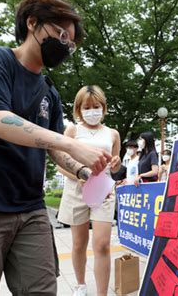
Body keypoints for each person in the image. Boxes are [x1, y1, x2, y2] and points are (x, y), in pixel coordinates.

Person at [0, 0, 112, 295]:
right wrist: (72, 143)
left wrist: (85, 171)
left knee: (42, 289)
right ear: (32, 23)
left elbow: (54, 150)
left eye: (72, 44)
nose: (66, 46)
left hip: (30, 210)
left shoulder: (49, 92)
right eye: (62, 35)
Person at [57, 85, 121, 296]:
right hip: (77, 190)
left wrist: (117, 163)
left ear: (104, 108)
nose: (92, 111)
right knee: (78, 244)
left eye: (96, 106)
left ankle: (102, 293)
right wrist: (79, 175)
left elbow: (116, 166)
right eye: (87, 107)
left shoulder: (113, 134)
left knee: (102, 244)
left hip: (103, 191)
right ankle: (80, 285)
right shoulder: (73, 130)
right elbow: (60, 163)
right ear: (79, 108)